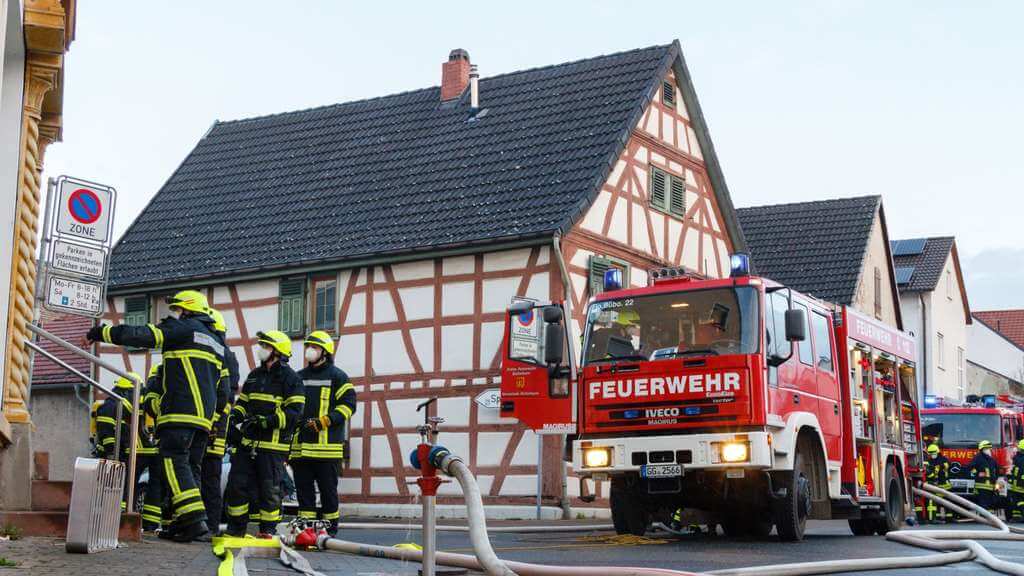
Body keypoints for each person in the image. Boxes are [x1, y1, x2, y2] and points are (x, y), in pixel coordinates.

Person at [87, 290, 225, 543]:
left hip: (180, 413)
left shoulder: (184, 330)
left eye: (178, 309)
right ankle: (183, 523)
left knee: (173, 463)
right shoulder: (216, 341)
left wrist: (102, 333)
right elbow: (222, 389)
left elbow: (142, 335)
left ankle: (195, 523)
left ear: (188, 310)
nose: (176, 314)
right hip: (203, 419)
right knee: (188, 469)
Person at [223, 330, 304, 537]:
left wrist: (269, 421)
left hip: (272, 447)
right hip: (247, 444)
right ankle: (236, 529)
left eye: (266, 346)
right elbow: (243, 403)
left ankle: (267, 531)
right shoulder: (254, 376)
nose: (261, 350)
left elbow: (294, 413)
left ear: (278, 352)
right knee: (237, 487)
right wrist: (234, 417)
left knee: (269, 492)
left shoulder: (291, 379)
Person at [291, 331, 356, 536]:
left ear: (325, 352)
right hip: (301, 450)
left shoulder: (337, 376)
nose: (310, 351)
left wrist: (325, 421)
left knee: (328, 493)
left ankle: (329, 533)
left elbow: (348, 406)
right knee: (304, 495)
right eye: (308, 346)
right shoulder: (298, 377)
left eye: (315, 347)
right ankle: (307, 531)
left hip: (327, 450)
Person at [199, 308, 240, 535]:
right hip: (206, 422)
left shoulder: (223, 354)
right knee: (201, 477)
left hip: (213, 425)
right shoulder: (219, 352)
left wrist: (213, 423)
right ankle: (203, 525)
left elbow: (226, 395)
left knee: (210, 478)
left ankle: (211, 526)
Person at [969, 440, 999, 512]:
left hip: (991, 486)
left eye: (989, 449)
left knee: (991, 502)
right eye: (987, 449)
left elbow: (997, 471)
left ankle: (990, 517)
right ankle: (984, 517)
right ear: (982, 449)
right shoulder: (978, 458)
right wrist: (977, 473)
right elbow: (970, 467)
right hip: (981, 485)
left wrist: (996, 481)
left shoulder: (992, 460)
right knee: (983, 502)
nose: (989, 450)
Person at [924, 444, 952, 522]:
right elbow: (927, 470)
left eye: (934, 453)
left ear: (937, 452)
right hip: (936, 485)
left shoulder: (943, 459)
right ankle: (938, 517)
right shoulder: (929, 461)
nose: (933, 455)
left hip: (945, 484)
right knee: (937, 502)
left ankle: (949, 518)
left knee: (948, 502)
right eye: (931, 453)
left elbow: (948, 464)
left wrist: (939, 466)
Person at [1008, 439, 1024, 522]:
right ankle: (1018, 516)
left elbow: (1013, 471)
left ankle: (1017, 516)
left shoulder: (1017, 458)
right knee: (1018, 500)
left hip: (1017, 485)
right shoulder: (1019, 459)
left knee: (1017, 500)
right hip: (1019, 484)